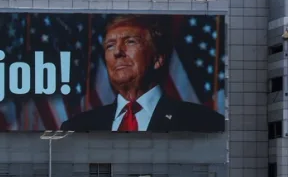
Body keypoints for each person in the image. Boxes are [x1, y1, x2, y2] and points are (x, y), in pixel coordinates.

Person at [59, 15, 225, 133]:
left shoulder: (203, 123)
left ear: (158, 59)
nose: (117, 52)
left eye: (130, 42)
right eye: (110, 45)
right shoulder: (77, 129)